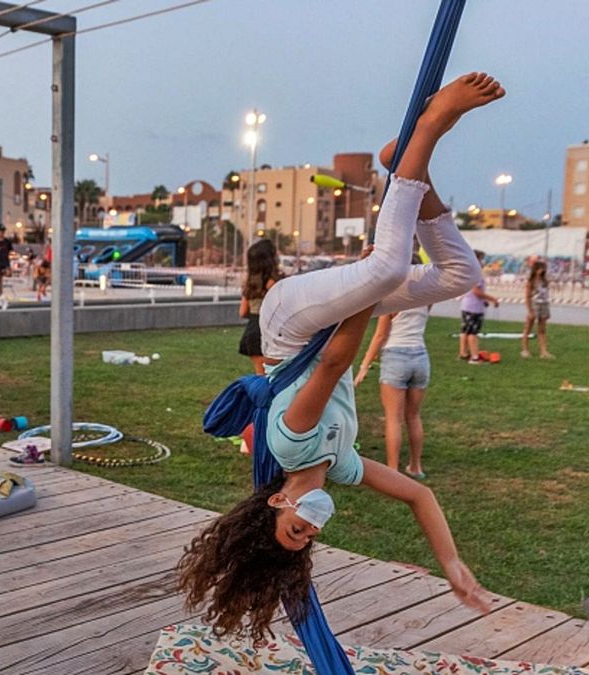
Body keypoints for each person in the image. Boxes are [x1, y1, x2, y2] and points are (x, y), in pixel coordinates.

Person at [177, 73, 502, 640]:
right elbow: (419, 495)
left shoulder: (289, 443)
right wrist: (451, 565)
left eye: (295, 529)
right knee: (460, 274)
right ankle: (410, 166)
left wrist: (368, 290)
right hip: (324, 331)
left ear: (278, 502)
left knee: (387, 268)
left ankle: (429, 125)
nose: (311, 530)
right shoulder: (343, 465)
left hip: (289, 326)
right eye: (308, 539)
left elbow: (331, 364)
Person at [355, 254, 430, 478]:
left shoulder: (392, 298)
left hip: (396, 356)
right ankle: (416, 467)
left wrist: (364, 365)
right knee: (413, 416)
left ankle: (393, 471)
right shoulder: (427, 297)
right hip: (421, 356)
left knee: (393, 418)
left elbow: (380, 336)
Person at [239, 239, 281, 375]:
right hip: (269, 331)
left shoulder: (249, 285)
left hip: (252, 331)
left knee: (261, 376)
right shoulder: (274, 284)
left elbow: (243, 312)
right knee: (275, 377)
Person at [458, 250, 499, 364]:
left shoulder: (469, 272)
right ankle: (474, 357)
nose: (483, 262)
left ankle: (463, 353)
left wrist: (484, 301)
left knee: (465, 331)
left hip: (467, 306)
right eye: (481, 259)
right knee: (473, 333)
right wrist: (492, 299)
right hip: (474, 308)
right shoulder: (476, 274)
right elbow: (477, 291)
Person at [521, 260, 553, 359]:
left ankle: (543, 351)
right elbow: (527, 297)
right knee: (528, 328)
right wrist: (530, 311)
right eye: (540, 269)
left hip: (544, 304)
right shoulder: (531, 282)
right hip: (535, 305)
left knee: (542, 330)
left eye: (544, 269)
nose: (543, 271)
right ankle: (525, 350)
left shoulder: (545, 281)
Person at [0, 225, 14, 298]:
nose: (2, 233)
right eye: (0, 232)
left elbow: (11, 252)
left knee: (8, 274)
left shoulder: (7, 242)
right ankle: (0, 293)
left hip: (5, 262)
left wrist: (11, 263)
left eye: (3, 232)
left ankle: (0, 292)